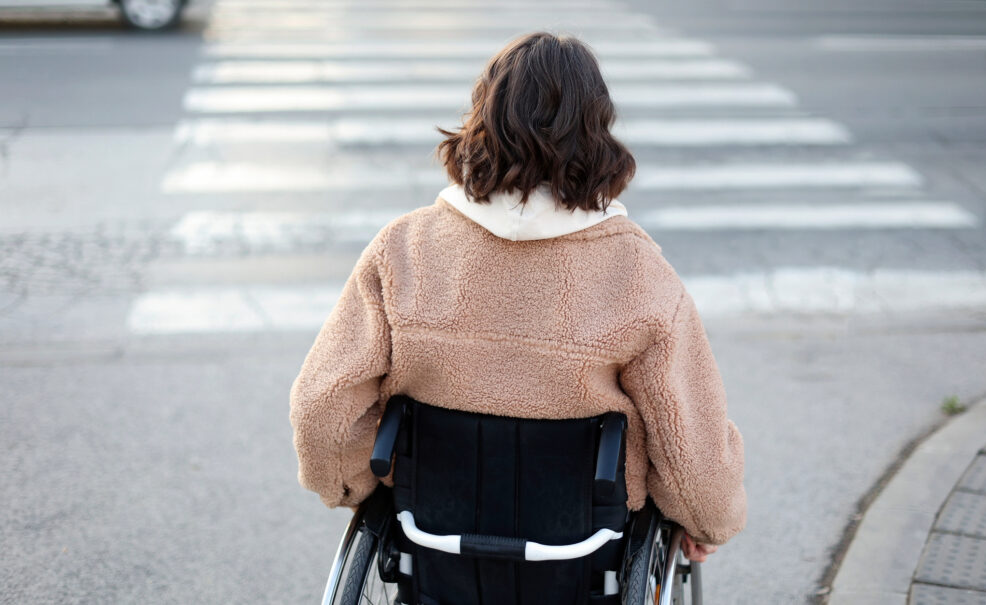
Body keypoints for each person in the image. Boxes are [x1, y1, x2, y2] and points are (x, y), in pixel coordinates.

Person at [289, 31, 746, 562]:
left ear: (483, 119)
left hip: (431, 532)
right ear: (596, 134)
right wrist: (707, 522)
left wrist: (349, 486)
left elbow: (322, 407)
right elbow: (692, 446)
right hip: (584, 546)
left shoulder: (404, 249)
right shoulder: (638, 272)